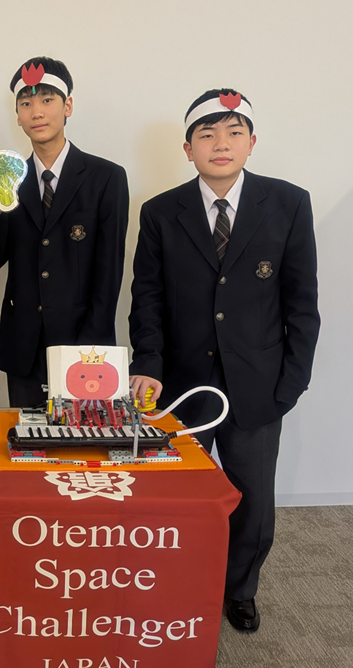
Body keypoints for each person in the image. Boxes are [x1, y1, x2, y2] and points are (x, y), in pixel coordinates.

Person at [128, 89, 320, 632]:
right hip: (180, 382)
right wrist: (148, 364)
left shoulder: (288, 203)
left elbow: (301, 302)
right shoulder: (160, 212)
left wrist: (292, 383)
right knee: (174, 493)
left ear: (251, 143)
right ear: (187, 148)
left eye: (234, 133)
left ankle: (240, 589)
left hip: (259, 383)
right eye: (207, 134)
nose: (221, 144)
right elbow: (147, 298)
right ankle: (169, 582)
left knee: (252, 497)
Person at [0, 56, 129, 408]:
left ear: (67, 106)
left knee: (83, 438)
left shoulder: (106, 177)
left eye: (47, 100)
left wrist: (92, 348)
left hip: (83, 345)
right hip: (23, 344)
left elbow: (109, 271)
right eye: (26, 104)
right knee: (27, 438)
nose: (37, 112)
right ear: (17, 115)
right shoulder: (7, 177)